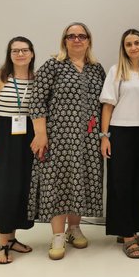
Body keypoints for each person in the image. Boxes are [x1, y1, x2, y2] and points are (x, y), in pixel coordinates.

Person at [28, 22, 106, 260]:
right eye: (71, 36)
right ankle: (57, 235)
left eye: (82, 36)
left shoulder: (96, 69)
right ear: (64, 40)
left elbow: (106, 103)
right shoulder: (53, 65)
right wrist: (40, 133)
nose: (77, 39)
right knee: (58, 183)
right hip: (58, 139)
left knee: (81, 181)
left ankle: (74, 228)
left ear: (89, 40)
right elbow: (37, 100)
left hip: (88, 140)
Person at [99, 29, 139, 259]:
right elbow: (107, 105)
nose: (133, 47)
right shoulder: (116, 71)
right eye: (128, 44)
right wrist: (104, 136)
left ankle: (132, 227)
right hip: (121, 132)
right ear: (124, 48)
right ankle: (127, 236)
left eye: (137, 43)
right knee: (121, 183)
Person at [0, 37, 36, 264]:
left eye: (24, 50)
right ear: (9, 54)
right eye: (15, 51)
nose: (20, 54)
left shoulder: (36, 78)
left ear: (31, 53)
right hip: (3, 137)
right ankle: (2, 244)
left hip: (27, 137)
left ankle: (12, 238)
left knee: (21, 186)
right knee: (4, 188)